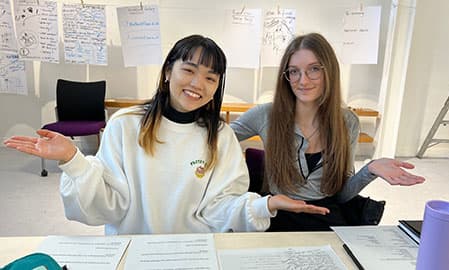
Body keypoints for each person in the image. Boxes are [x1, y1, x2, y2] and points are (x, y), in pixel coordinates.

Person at [3, 35, 327, 235]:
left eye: (211, 78)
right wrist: (73, 160)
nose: (198, 84)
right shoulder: (126, 125)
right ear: (169, 70)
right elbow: (109, 205)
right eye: (189, 70)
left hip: (195, 253)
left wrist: (264, 205)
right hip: (133, 249)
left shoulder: (220, 137)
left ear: (217, 88)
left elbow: (219, 208)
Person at [231, 33, 426, 231]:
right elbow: (218, 139)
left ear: (329, 72)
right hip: (277, 214)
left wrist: (370, 169)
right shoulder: (265, 115)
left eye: (314, 69)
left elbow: (341, 195)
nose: (303, 80)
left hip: (327, 216)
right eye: (294, 71)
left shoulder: (347, 122)